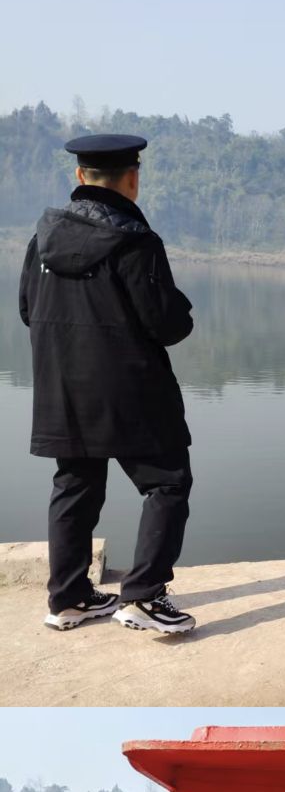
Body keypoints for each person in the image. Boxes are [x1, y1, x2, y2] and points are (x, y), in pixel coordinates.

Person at [18, 134, 197, 633]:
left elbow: (28, 310)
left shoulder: (41, 240)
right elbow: (167, 324)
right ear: (133, 179)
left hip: (62, 387)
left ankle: (68, 597)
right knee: (167, 482)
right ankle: (143, 596)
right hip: (131, 389)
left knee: (75, 484)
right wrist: (180, 306)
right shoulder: (135, 242)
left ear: (80, 176)